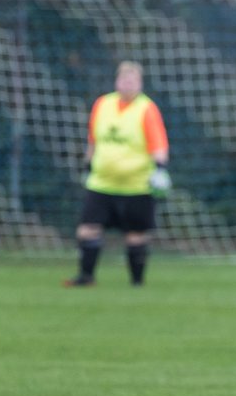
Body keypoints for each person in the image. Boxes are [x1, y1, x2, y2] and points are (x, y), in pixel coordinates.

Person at [64, 61, 171, 287]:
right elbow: (93, 139)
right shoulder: (103, 104)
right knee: (87, 230)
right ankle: (86, 277)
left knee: (135, 234)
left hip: (137, 185)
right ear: (117, 81)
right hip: (102, 183)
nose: (127, 84)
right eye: (124, 80)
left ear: (140, 84)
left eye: (132, 81)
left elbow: (158, 144)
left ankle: (137, 282)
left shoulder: (146, 109)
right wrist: (88, 163)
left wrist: (160, 169)